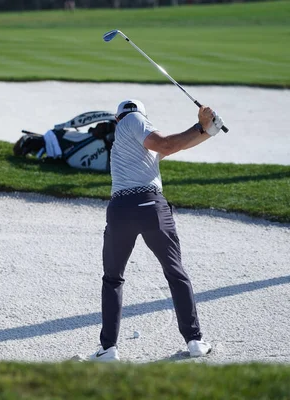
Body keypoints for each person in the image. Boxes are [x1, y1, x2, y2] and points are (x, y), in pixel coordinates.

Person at [88, 99, 225, 362]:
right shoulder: (134, 120)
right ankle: (195, 341)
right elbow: (166, 143)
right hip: (151, 208)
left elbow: (173, 146)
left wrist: (209, 130)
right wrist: (200, 124)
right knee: (176, 273)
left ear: (116, 119)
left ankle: (108, 349)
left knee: (113, 278)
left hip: (121, 212)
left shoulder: (126, 142)